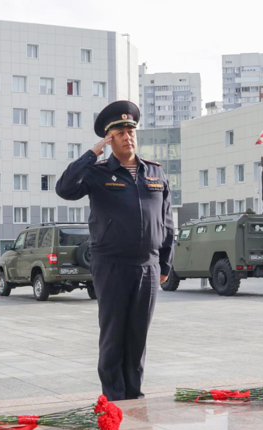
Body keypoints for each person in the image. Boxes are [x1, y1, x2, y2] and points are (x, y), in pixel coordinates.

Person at [55, 100, 174, 401]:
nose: (127, 136)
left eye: (131, 130)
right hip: (111, 264)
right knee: (113, 336)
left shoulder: (155, 173)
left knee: (137, 337)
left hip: (148, 266)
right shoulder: (96, 173)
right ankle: (114, 398)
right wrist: (92, 153)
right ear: (109, 139)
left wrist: (165, 265)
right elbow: (65, 188)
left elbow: (168, 222)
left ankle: (133, 396)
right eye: (120, 132)